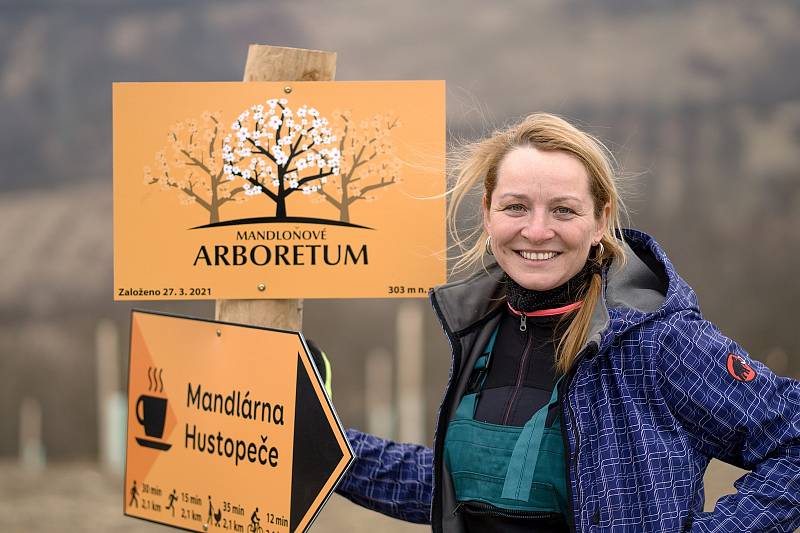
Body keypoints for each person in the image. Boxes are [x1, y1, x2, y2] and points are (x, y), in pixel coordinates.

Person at [333, 113, 800, 532]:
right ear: (488, 215)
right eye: (515, 206)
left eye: (563, 209)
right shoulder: (484, 331)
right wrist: (325, 443)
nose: (537, 231)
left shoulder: (657, 342)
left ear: (600, 221)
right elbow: (460, 488)